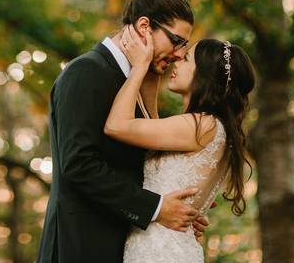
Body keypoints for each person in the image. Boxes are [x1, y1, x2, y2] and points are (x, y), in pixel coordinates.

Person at [36, 0, 206, 263]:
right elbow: (79, 164)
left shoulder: (134, 84)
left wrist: (181, 204)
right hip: (81, 248)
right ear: (144, 27)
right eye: (177, 41)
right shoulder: (86, 72)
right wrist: (155, 207)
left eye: (184, 47)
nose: (180, 54)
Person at [105, 23, 256, 262]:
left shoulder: (200, 125)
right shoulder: (212, 128)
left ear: (203, 75)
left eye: (186, 59)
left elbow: (116, 126)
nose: (176, 62)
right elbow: (152, 133)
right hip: (168, 248)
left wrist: (139, 67)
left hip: (159, 253)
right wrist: (152, 77)